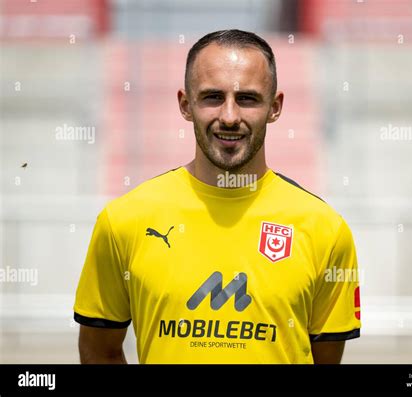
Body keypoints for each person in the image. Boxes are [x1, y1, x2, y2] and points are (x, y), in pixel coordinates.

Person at [74, 29, 361, 364]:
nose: (229, 116)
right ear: (185, 104)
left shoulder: (324, 229)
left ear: (275, 107)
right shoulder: (124, 220)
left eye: (248, 99)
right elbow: (98, 352)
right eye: (212, 97)